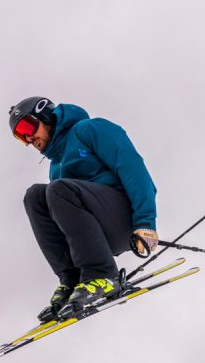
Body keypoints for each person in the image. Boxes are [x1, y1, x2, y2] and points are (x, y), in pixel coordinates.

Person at [9, 96, 159, 320]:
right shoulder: (56, 166)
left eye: (27, 126)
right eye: (21, 136)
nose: (29, 138)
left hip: (124, 218)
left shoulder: (90, 129)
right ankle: (73, 279)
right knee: (35, 196)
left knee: (57, 189)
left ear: (46, 115)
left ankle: (103, 275)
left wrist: (146, 222)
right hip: (96, 234)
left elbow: (132, 168)